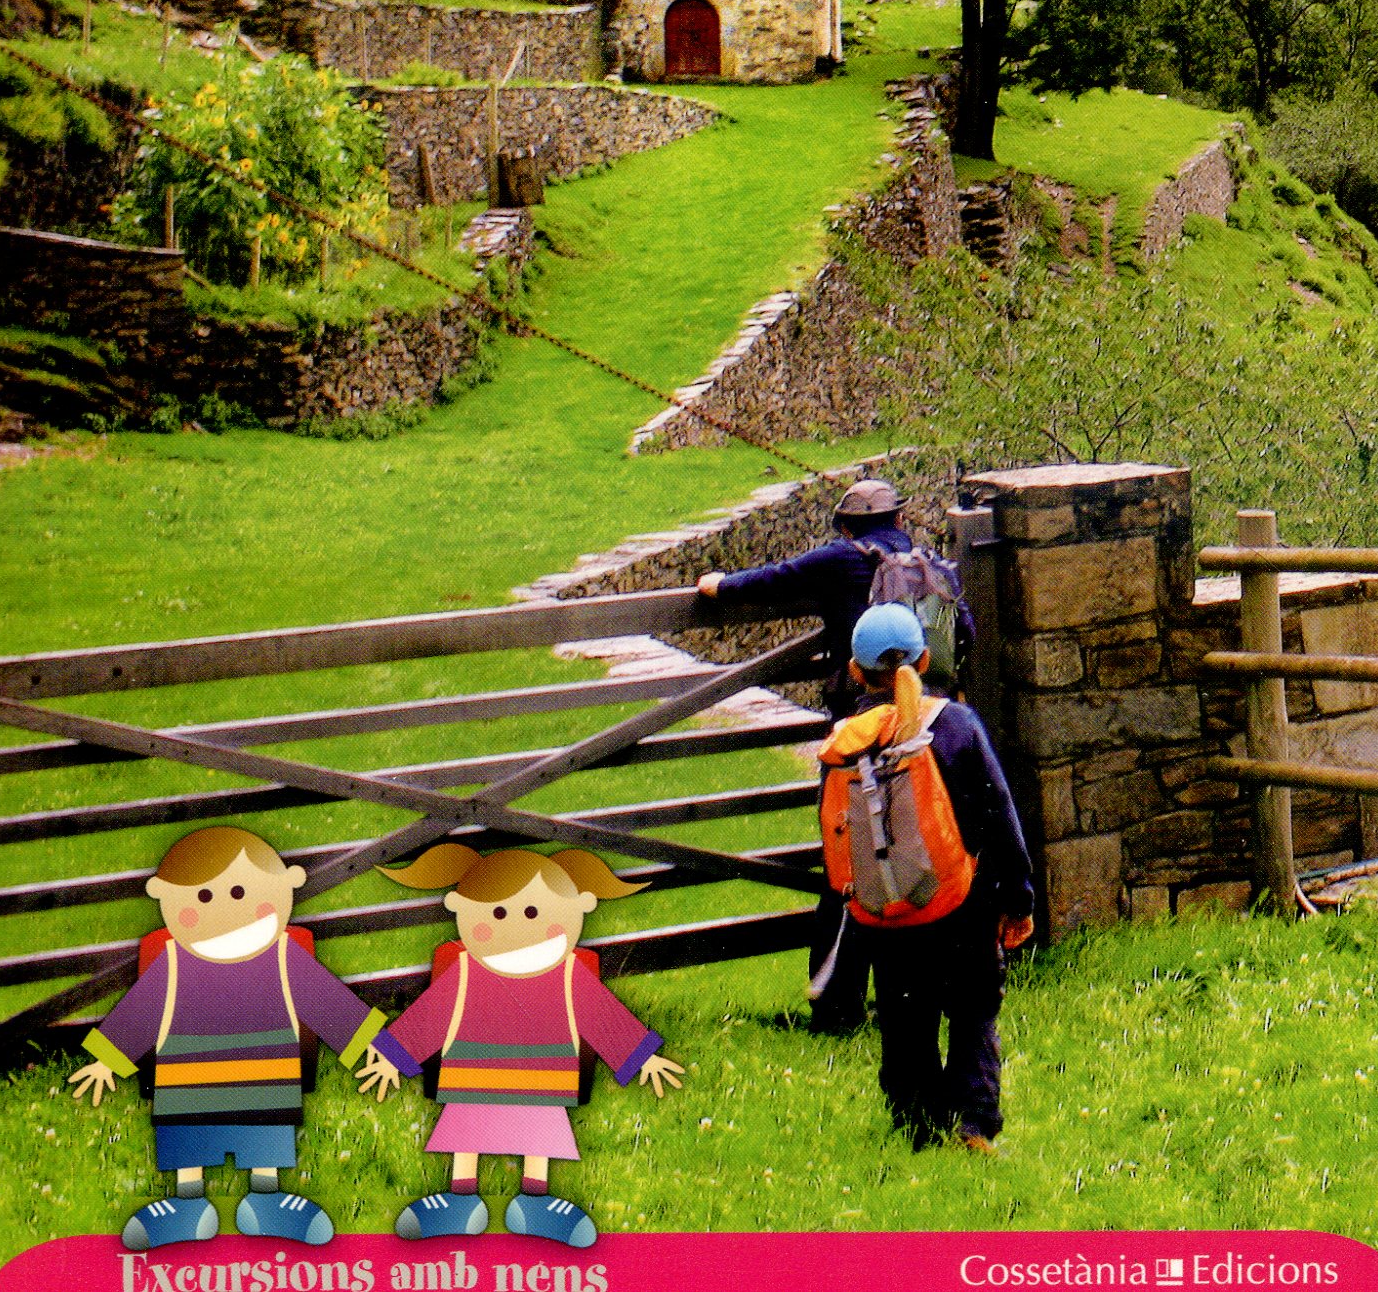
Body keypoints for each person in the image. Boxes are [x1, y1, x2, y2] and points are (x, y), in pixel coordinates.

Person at [697, 476, 975, 1031]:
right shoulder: (934, 566)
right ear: (899, 519)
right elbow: (964, 632)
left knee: (850, 862)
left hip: (861, 738)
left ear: (846, 526)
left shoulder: (837, 561)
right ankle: (938, 985)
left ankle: (836, 1004)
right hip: (932, 728)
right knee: (931, 849)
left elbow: (764, 583)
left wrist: (717, 583)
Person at [70, 825, 411, 1252]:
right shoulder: (173, 963)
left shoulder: (286, 958)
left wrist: (380, 1048)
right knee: (189, 1142)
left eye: (240, 894)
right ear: (167, 898)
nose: (227, 912)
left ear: (286, 887)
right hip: (188, 1085)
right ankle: (187, 1206)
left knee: (263, 1137)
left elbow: (334, 1007)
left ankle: (266, 1202)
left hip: (265, 1081)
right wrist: (107, 1060)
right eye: (204, 898)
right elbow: (138, 1014)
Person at [377, 841, 684, 1249]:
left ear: (579, 909)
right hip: (473, 1080)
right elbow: (429, 1017)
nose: (515, 927)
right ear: (460, 908)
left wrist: (641, 1055)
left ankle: (534, 1204)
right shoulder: (465, 970)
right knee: (467, 1134)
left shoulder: (569, 974)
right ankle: (460, 1201)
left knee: (537, 1136)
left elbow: (603, 1016)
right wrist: (393, 1057)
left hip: (542, 1082)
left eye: (535, 913)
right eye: (498, 913)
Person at [820, 604, 1034, 1154]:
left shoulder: (843, 743)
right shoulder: (956, 725)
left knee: (903, 1020)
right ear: (926, 658)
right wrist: (1018, 897)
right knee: (972, 1013)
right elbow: (999, 813)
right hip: (962, 904)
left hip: (886, 916)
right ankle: (972, 1124)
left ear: (854, 671)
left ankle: (918, 1125)